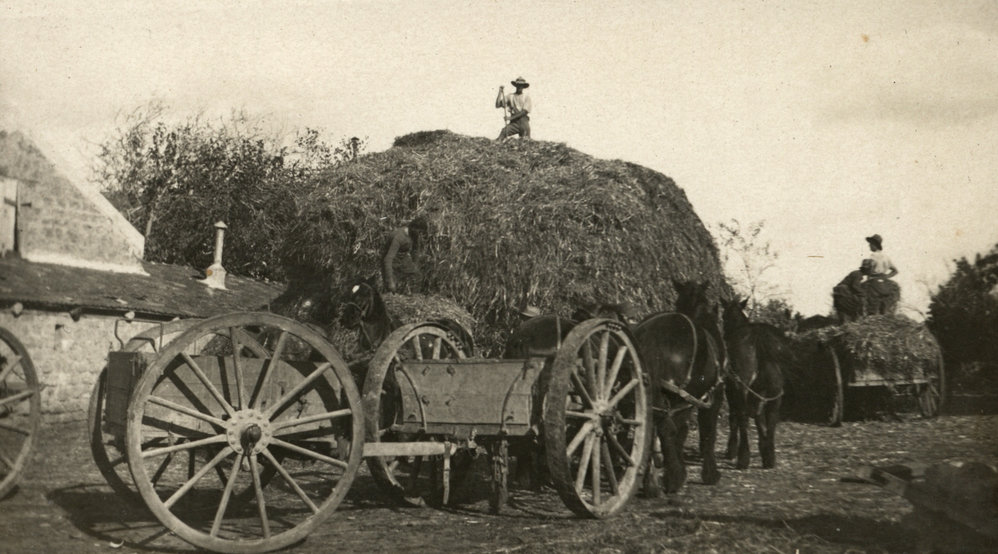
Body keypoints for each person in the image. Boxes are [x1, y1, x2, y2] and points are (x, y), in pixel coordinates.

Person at [382, 216, 428, 294]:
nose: (419, 234)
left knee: (417, 276)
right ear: (413, 228)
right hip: (393, 261)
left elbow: (415, 250)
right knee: (393, 288)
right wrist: (390, 281)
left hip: (402, 258)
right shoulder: (399, 237)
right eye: (419, 232)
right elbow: (388, 259)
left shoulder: (414, 235)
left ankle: (413, 299)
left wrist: (414, 266)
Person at [864, 234, 901, 315]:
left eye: (870, 244)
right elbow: (895, 271)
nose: (869, 245)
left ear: (874, 245)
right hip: (884, 283)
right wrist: (886, 277)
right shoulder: (886, 257)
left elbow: (869, 272)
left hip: (873, 283)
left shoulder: (872, 257)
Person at [833, 259, 872, 323]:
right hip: (843, 291)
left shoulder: (857, 273)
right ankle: (854, 321)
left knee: (841, 309)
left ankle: (844, 323)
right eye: (870, 269)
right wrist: (864, 294)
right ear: (867, 269)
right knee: (855, 306)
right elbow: (855, 286)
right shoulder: (858, 274)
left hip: (839, 292)